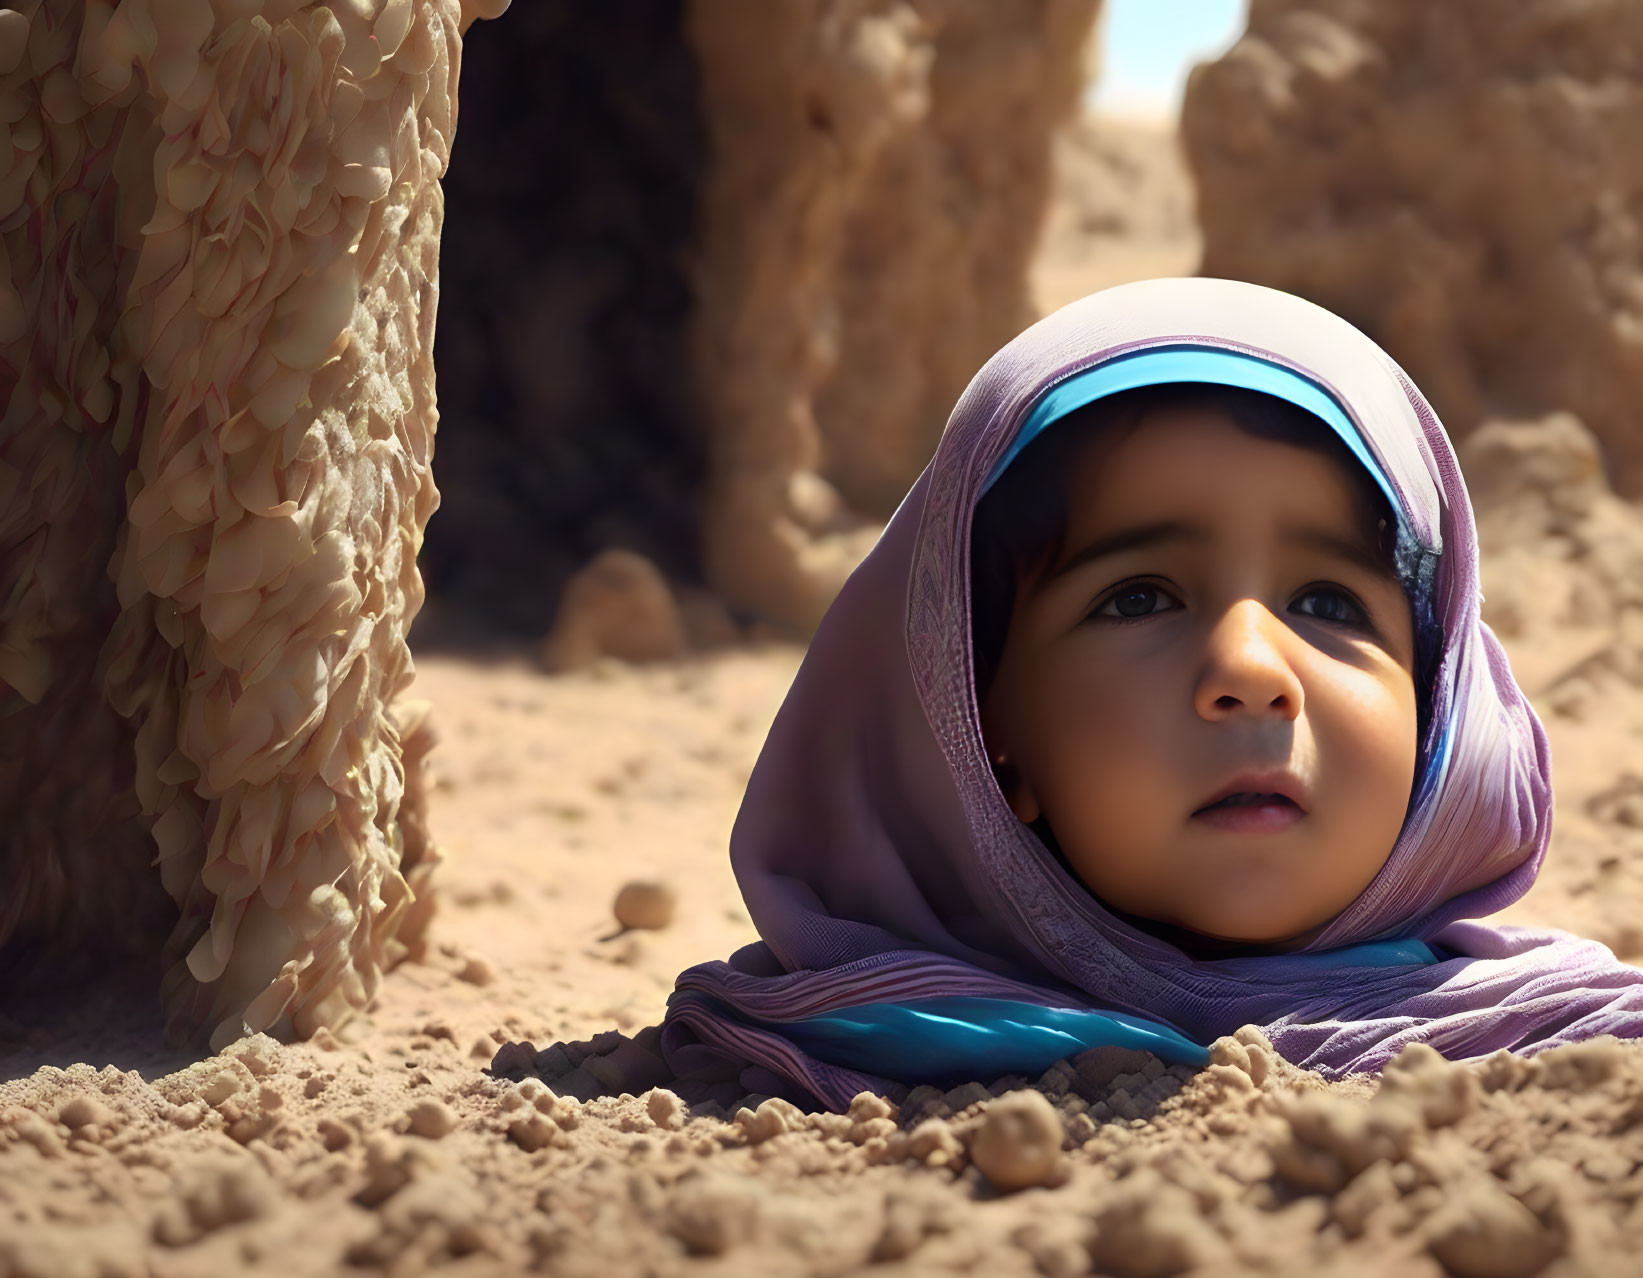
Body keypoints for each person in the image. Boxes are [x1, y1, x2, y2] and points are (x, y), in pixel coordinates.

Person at [654, 277, 1643, 1112]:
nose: (1251, 670)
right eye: (1137, 598)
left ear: (1435, 711)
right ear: (979, 725)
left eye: (1325, 599)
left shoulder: (1573, 1037)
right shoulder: (859, 1032)